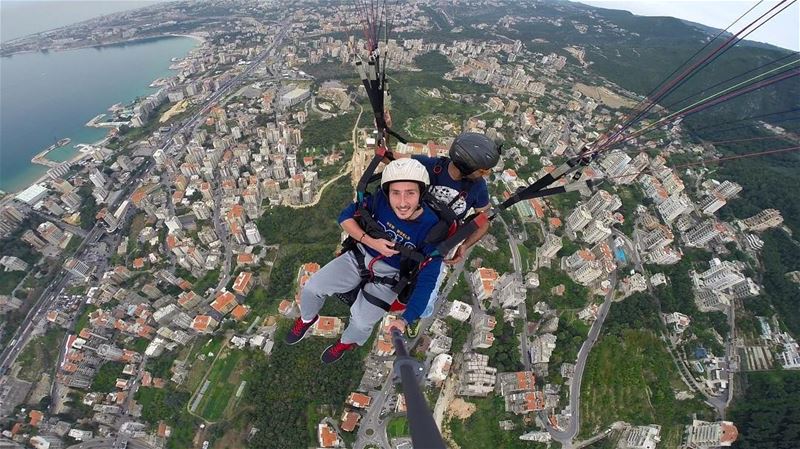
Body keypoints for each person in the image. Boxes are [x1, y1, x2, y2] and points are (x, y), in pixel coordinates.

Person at [284, 159, 445, 364]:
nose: (403, 202)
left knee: (361, 323)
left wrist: (406, 319)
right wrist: (371, 242)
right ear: (388, 193)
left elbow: (427, 282)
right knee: (311, 288)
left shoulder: (432, 229)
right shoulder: (380, 202)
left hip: (391, 277)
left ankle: (346, 342)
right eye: (396, 193)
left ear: (421, 193)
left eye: (410, 193)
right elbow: (346, 217)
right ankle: (308, 318)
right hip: (359, 255)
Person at [391, 132, 501, 335]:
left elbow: (483, 221)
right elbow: (390, 158)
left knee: (426, 295)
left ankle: (416, 312)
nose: (485, 175)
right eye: (483, 171)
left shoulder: (477, 187)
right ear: (468, 168)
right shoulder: (430, 165)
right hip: (407, 231)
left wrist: (464, 245)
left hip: (438, 245)